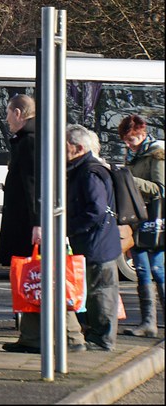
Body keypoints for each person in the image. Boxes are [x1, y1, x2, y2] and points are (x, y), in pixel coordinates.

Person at [0, 95, 87, 353]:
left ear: (17, 113)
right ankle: (39, 336)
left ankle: (65, 336)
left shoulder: (29, 142)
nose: (6, 119)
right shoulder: (41, 138)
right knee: (38, 278)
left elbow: (34, 185)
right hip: (37, 222)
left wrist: (38, 222)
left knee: (42, 278)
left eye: (7, 114)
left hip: (31, 225)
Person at [63, 123, 122, 351]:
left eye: (64, 145)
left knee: (101, 292)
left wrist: (69, 227)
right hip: (96, 242)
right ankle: (97, 335)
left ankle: (103, 339)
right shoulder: (84, 169)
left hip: (97, 243)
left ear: (77, 147)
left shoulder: (89, 172)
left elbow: (95, 210)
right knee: (96, 291)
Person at [117, 114, 164, 337]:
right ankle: (148, 324)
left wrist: (128, 178)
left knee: (157, 269)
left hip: (155, 220)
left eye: (132, 140)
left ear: (143, 135)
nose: (128, 144)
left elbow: (159, 189)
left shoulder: (156, 154)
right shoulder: (133, 154)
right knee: (143, 270)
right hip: (137, 218)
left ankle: (153, 323)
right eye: (126, 141)